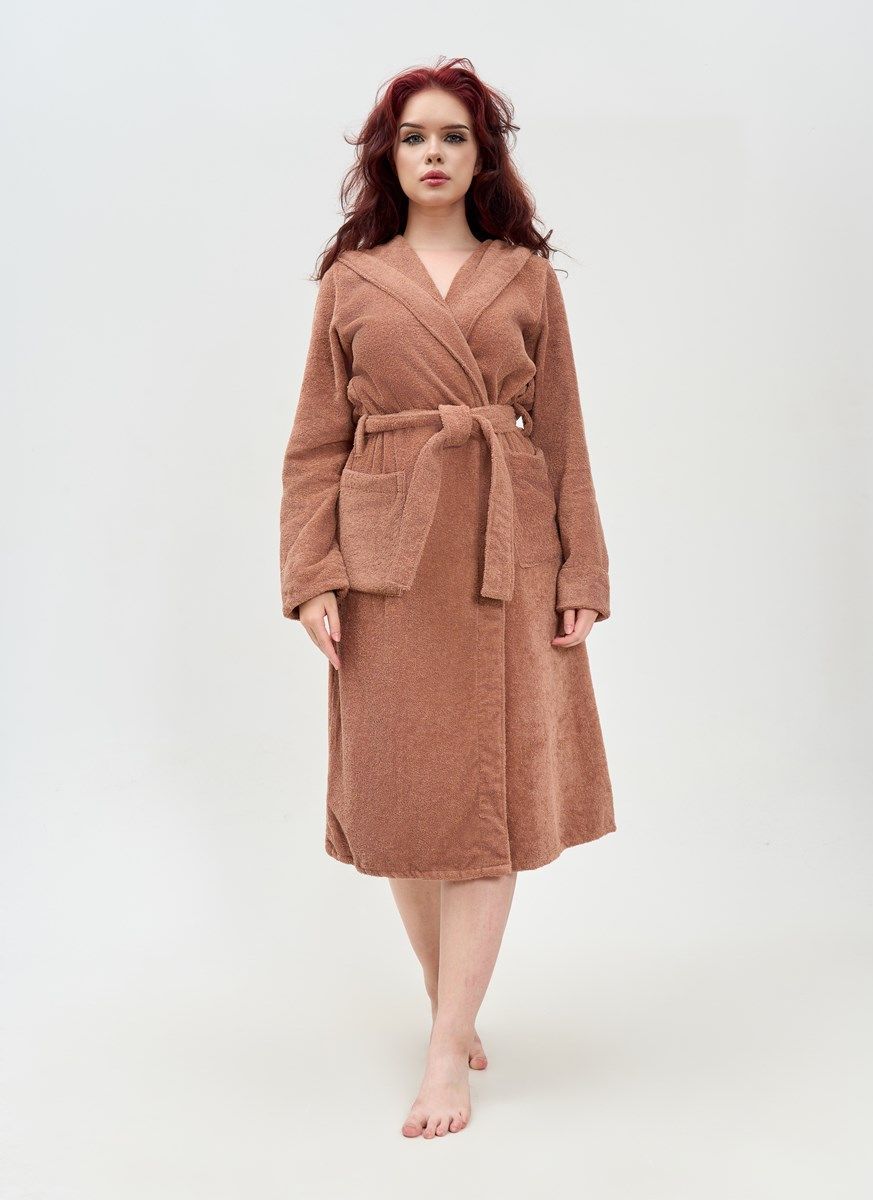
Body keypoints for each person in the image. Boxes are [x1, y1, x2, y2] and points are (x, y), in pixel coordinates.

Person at [279, 56, 616, 1139]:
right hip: (388, 557)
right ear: (390, 155)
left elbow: (562, 433)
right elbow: (314, 445)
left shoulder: (525, 277)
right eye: (416, 136)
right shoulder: (352, 280)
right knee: (406, 801)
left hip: (503, 556)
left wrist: (581, 571)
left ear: (483, 157)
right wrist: (312, 575)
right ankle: (449, 1002)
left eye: (454, 137)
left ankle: (444, 1052)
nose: (434, 153)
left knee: (487, 802)